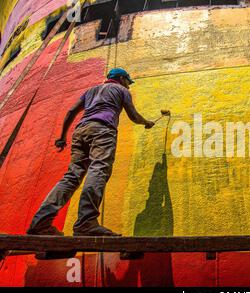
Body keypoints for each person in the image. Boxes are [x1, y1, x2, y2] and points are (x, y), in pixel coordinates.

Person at [26, 68, 154, 236]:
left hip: (81, 131)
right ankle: (86, 222)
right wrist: (146, 122)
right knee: (99, 170)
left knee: (72, 176)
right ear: (122, 79)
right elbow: (133, 115)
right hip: (103, 130)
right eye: (128, 82)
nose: (128, 86)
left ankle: (40, 223)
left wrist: (62, 136)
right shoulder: (121, 90)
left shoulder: (91, 91)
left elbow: (71, 111)